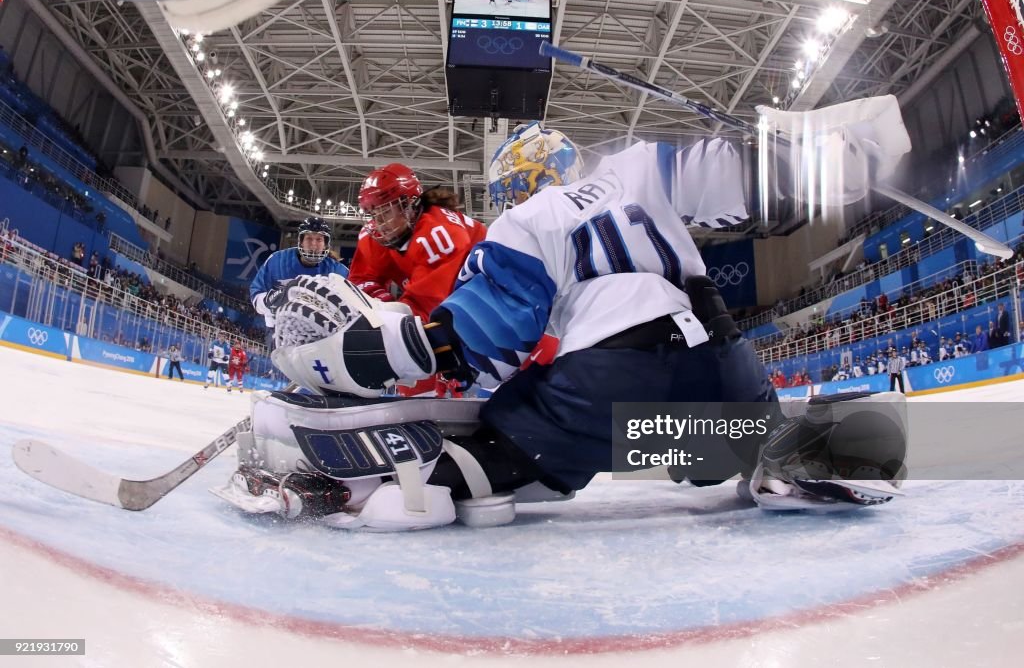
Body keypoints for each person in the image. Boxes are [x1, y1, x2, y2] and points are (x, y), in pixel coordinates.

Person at [219, 121, 906, 530]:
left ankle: (365, 487)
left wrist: (378, 358)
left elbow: (483, 339)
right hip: (725, 364)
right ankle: (769, 455)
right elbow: (735, 179)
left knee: (506, 441)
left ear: (518, 181)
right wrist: (811, 154)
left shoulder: (525, 220)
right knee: (722, 435)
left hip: (608, 380)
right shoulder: (638, 168)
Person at [348, 163, 487, 395]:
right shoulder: (379, 235)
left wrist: (383, 317)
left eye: (386, 210)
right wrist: (380, 303)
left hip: (487, 306)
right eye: (374, 213)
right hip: (448, 309)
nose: (379, 221)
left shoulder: (439, 233)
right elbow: (359, 282)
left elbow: (427, 311)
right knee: (412, 354)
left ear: (409, 205)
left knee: (413, 346)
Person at [250, 216, 348, 344]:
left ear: (325, 244)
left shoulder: (339, 272)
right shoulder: (277, 261)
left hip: (320, 336)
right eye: (309, 238)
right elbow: (256, 295)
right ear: (301, 241)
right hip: (281, 332)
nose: (313, 244)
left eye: (319, 239)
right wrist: (269, 300)